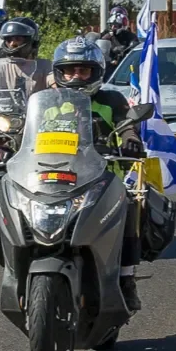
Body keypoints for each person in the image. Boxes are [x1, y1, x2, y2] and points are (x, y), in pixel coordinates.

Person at [49, 37, 147, 311]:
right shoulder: (47, 101)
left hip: (102, 178)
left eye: (83, 70)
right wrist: (9, 143)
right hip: (54, 176)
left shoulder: (111, 99)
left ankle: (126, 279)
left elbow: (126, 124)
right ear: (59, 72)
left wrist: (130, 139)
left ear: (96, 72)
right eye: (70, 70)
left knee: (129, 207)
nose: (76, 76)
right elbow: (25, 132)